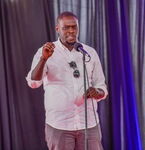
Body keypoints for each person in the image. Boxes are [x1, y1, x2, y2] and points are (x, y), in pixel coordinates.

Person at [26, 11, 108, 150]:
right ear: (57, 29)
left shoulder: (89, 52)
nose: (71, 31)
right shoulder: (46, 51)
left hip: (88, 123)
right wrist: (44, 59)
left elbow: (101, 87)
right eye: (66, 27)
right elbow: (33, 82)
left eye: (74, 27)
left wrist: (97, 92)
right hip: (59, 124)